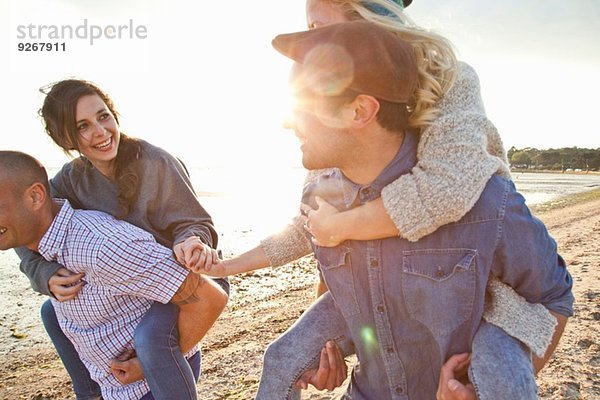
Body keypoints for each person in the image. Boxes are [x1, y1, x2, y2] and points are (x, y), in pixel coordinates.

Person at [190, 0, 563, 398]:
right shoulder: (332, 164)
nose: (312, 38)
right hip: (374, 332)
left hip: (459, 259)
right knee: (282, 356)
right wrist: (231, 266)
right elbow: (310, 228)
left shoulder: (449, 84)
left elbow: (448, 188)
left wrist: (341, 226)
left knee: (497, 364)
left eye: (317, 25)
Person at [15, 79, 229, 400]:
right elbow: (24, 223)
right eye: (83, 126)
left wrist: (190, 240)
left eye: (103, 117)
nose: (100, 132)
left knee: (150, 338)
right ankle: (92, 394)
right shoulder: (70, 180)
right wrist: (42, 274)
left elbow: (196, 224)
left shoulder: (156, 162)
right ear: (65, 138)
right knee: (51, 312)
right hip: (141, 288)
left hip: (191, 280)